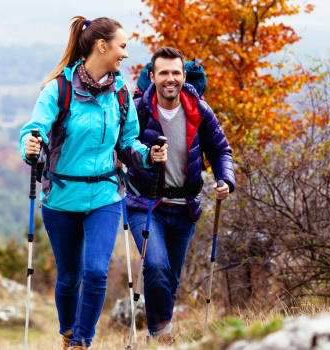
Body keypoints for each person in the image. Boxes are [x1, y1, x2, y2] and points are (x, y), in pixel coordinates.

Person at [19, 16, 166, 350]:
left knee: (97, 272)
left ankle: (81, 344)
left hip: (105, 195)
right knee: (70, 277)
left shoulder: (121, 93)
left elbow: (128, 142)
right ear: (103, 46)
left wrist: (148, 155)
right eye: (122, 46)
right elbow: (35, 129)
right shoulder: (59, 88)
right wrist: (30, 144)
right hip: (61, 198)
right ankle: (67, 332)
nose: (126, 55)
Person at [125, 47, 236, 345]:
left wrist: (226, 179)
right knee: (156, 265)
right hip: (145, 204)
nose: (170, 79)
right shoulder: (137, 110)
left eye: (175, 73)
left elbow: (220, 150)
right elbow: (122, 149)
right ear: (152, 76)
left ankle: (156, 333)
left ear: (184, 76)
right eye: (163, 73)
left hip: (185, 206)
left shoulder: (199, 109)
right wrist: (145, 156)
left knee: (170, 279)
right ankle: (163, 336)